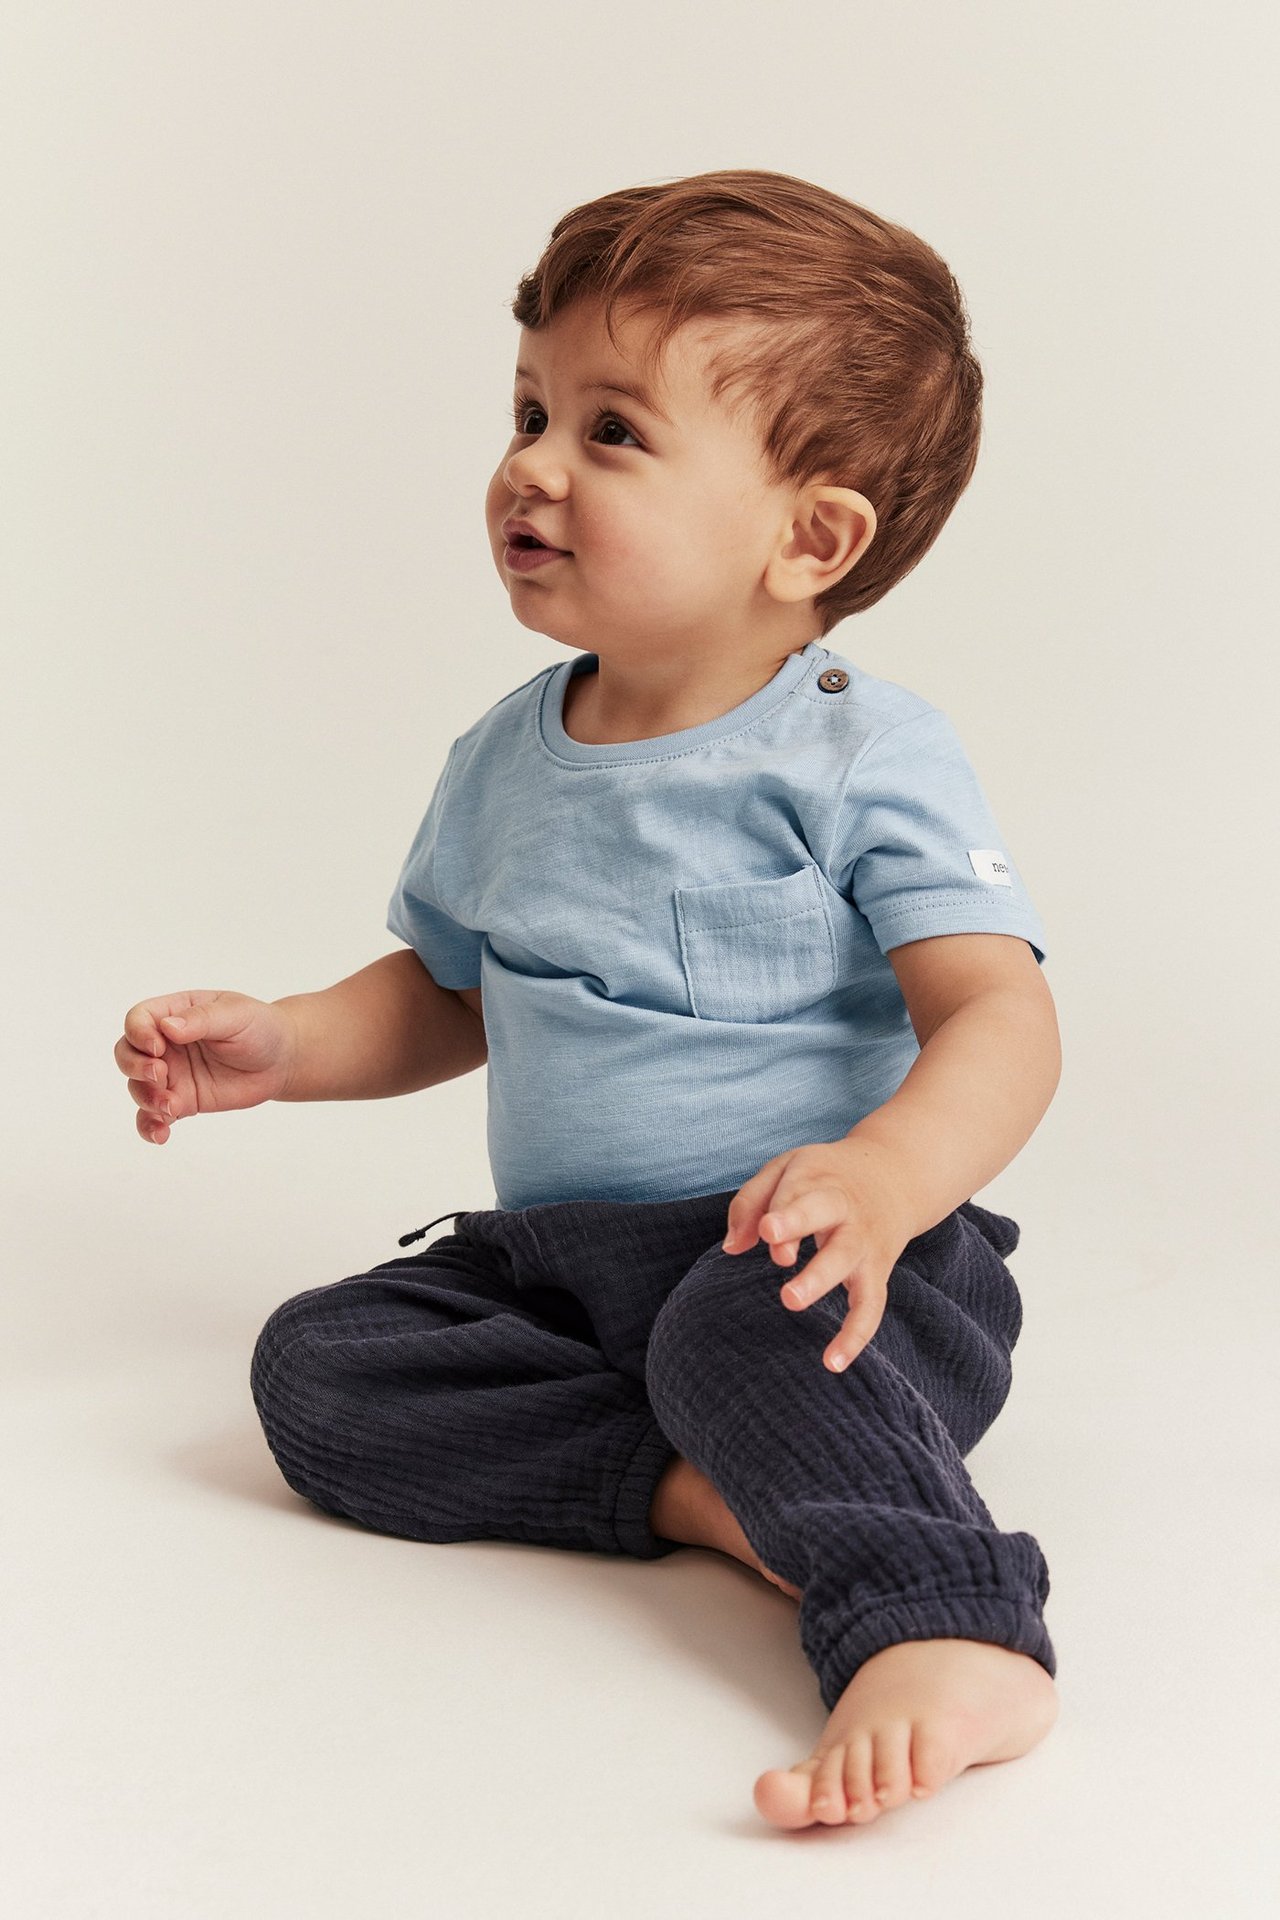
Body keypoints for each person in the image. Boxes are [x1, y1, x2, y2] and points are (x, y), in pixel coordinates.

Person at [115, 169, 1062, 1831]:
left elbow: (1001, 1014)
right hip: (571, 1275)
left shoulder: (857, 750)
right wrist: (282, 1044)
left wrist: (887, 1183)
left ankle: (943, 1623)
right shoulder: (508, 753)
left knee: (730, 1321)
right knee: (319, 1371)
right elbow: (444, 995)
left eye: (612, 432)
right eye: (530, 408)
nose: (531, 466)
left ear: (809, 535)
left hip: (829, 1270)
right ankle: (712, 1494)